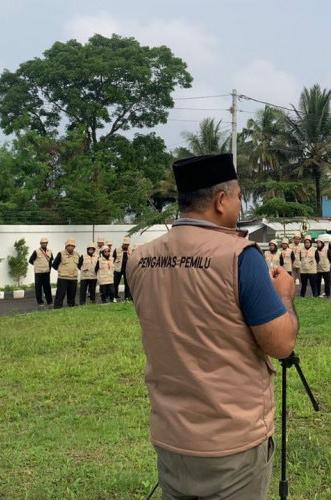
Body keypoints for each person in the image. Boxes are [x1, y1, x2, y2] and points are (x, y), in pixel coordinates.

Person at [126, 153, 298, 500]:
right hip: (232, 441)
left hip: (171, 435)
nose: (239, 205)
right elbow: (281, 345)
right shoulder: (238, 255)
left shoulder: (139, 259)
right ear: (221, 201)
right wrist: (284, 297)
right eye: (238, 197)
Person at [52, 238, 82, 308]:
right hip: (63, 278)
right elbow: (54, 265)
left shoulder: (77, 254)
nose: (70, 247)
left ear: (74, 247)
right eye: (69, 246)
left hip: (73, 277)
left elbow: (80, 265)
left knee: (72, 294)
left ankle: (71, 305)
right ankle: (57, 306)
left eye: (72, 246)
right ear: (66, 246)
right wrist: (61, 270)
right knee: (60, 294)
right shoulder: (61, 254)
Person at [28, 237, 54, 306]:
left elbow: (51, 260)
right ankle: (40, 302)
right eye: (43, 243)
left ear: (47, 243)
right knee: (38, 287)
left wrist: (50, 269)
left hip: (46, 272)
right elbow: (30, 260)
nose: (44, 244)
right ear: (40, 244)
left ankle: (49, 301)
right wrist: (37, 265)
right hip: (38, 272)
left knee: (47, 287)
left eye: (45, 243)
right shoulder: (36, 251)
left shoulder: (50, 251)